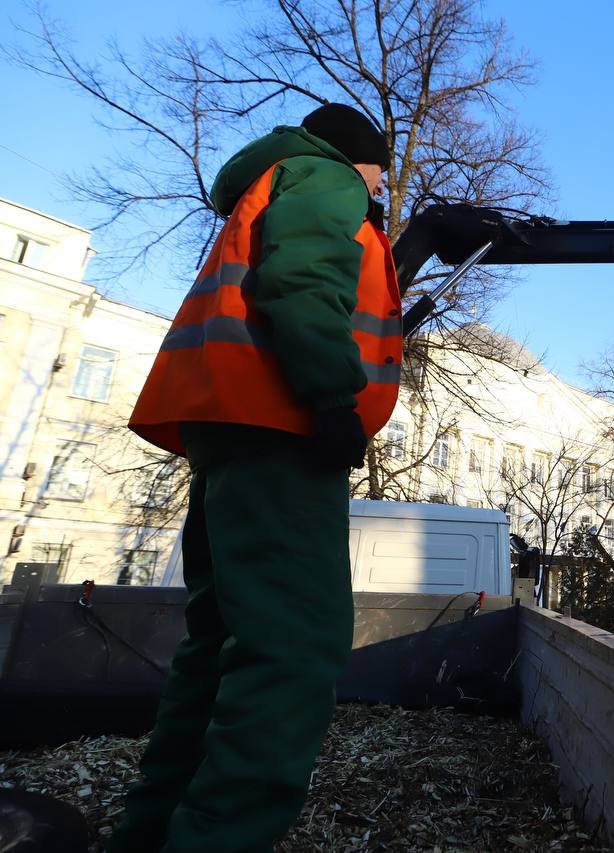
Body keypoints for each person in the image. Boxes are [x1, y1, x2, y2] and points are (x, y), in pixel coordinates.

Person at [112, 103, 401, 852]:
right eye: (380, 175)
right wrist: (333, 397)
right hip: (281, 427)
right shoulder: (328, 178)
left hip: (230, 428)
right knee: (291, 645)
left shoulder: (270, 183)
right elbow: (303, 278)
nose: (378, 192)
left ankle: (149, 833)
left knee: (218, 645)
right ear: (359, 159)